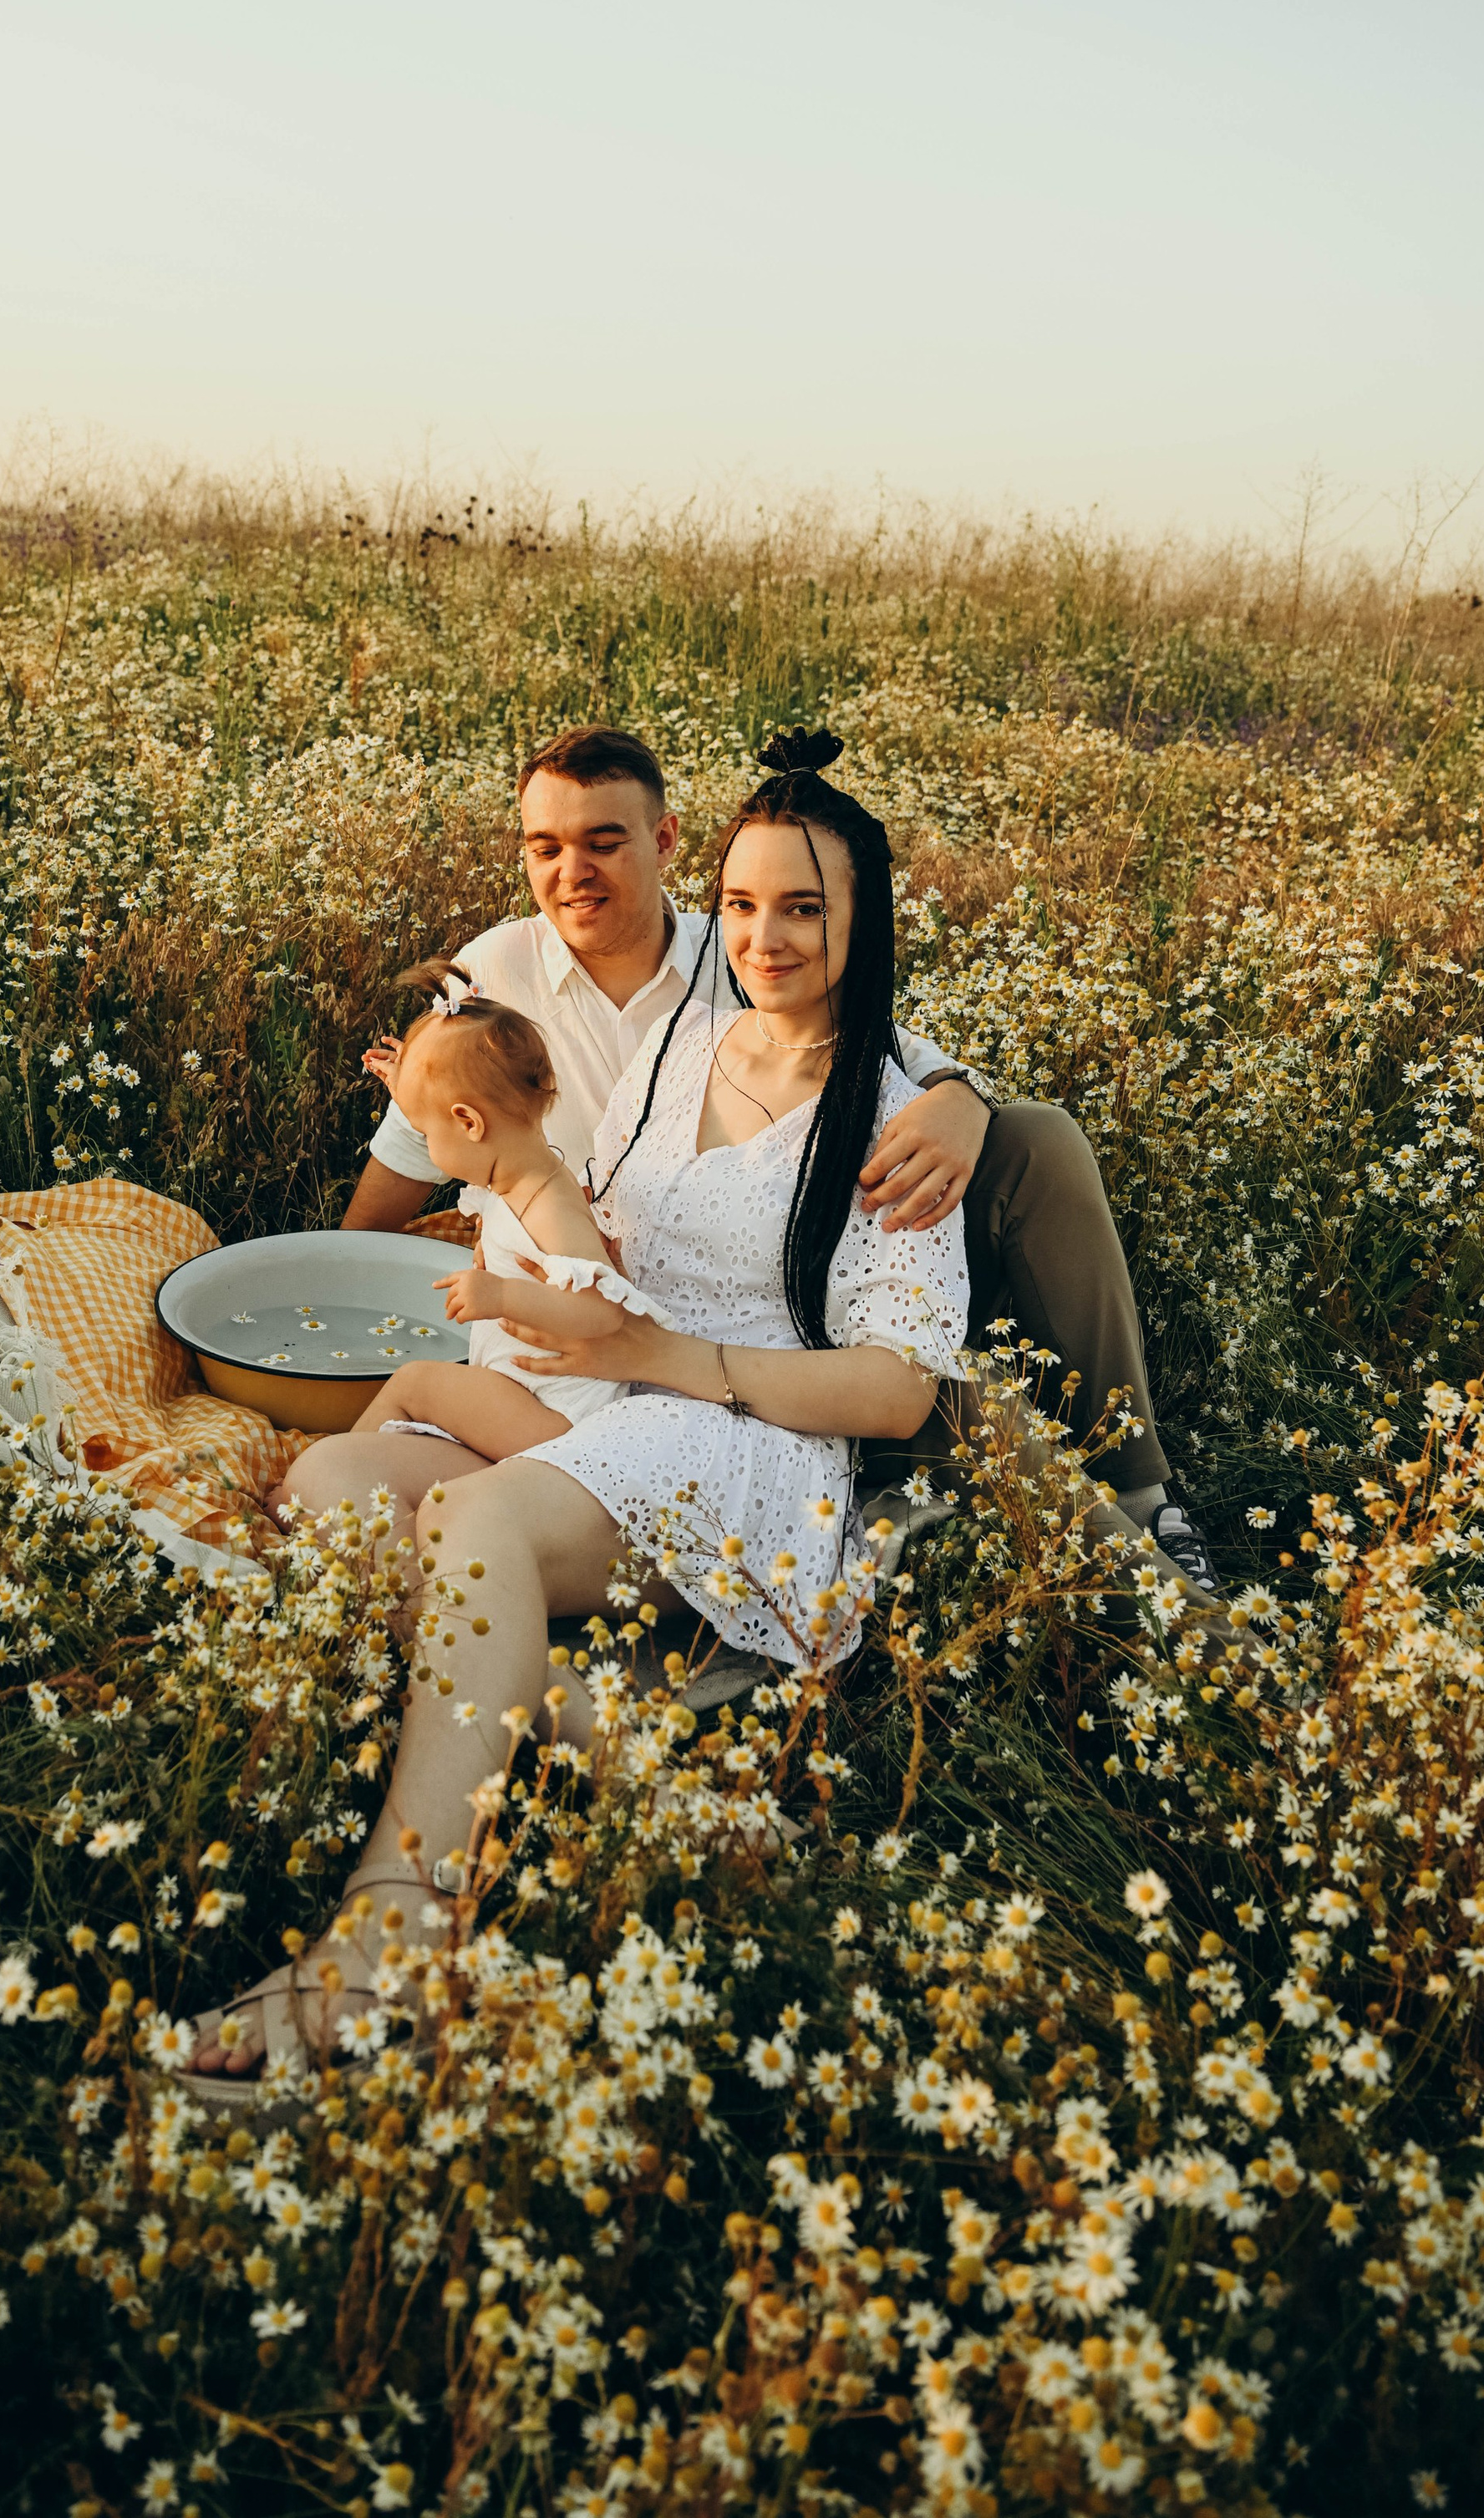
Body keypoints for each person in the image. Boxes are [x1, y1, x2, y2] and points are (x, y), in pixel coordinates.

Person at [190, 730, 971, 2089]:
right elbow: (587, 1215)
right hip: (616, 1400)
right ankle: (634, 1764)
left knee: (475, 1518)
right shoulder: (684, 1045)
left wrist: (683, 1362)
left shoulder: (892, 1116)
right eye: (742, 905)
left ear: (865, 916)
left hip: (750, 1440)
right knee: (331, 1488)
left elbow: (903, 1390)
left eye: (806, 907)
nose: (768, 938)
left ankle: (391, 1944)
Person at [340, 722, 1216, 1590]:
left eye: (603, 843)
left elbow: (867, 1042)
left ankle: (1140, 1497)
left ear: (663, 842)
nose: (573, 873)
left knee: (1035, 1148)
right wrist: (338, 1268)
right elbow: (420, 1128)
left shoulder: (727, 966)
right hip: (614, 1278)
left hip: (808, 1258)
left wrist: (958, 1096)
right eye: (545, 847)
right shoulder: (492, 968)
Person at [284, 966, 652, 1498]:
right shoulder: (515, 1181)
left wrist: (501, 1294)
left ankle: (322, 1495)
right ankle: (352, 1474)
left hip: (561, 1421)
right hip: (524, 1394)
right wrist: (410, 1083)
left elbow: (602, 1312)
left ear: (469, 1123)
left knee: (415, 1383)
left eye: (427, 1131)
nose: (427, 1145)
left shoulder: (551, 1206)